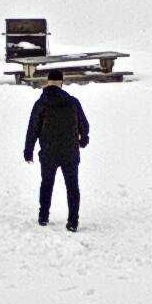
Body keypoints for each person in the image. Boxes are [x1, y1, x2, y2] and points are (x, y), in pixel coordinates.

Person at [23, 69, 89, 231]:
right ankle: (73, 222)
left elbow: (33, 128)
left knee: (47, 183)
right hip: (70, 152)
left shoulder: (41, 103)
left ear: (47, 82)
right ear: (62, 82)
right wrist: (83, 139)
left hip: (48, 152)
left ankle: (43, 216)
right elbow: (84, 125)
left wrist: (28, 150)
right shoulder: (73, 102)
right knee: (72, 187)